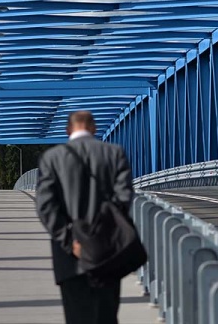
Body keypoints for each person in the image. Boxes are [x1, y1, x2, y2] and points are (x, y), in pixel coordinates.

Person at [35, 111, 133, 324]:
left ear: (67, 130)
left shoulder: (52, 158)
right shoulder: (114, 153)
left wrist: (70, 242)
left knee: (76, 317)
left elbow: (46, 206)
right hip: (107, 254)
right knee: (107, 317)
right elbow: (124, 199)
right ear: (94, 128)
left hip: (70, 259)